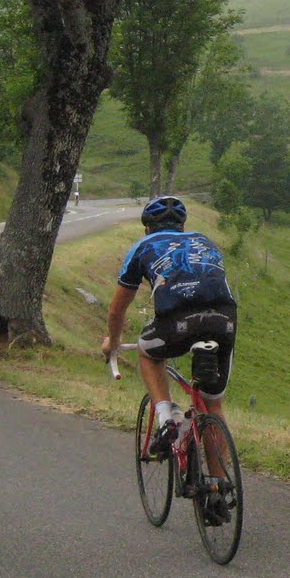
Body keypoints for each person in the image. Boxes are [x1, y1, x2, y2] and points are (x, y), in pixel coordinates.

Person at [101, 196, 238, 521]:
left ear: (147, 228)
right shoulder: (206, 242)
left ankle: (167, 419)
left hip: (176, 322)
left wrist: (113, 343)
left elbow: (117, 310)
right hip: (223, 321)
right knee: (213, 405)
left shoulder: (143, 246)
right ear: (184, 225)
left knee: (148, 351)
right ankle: (217, 491)